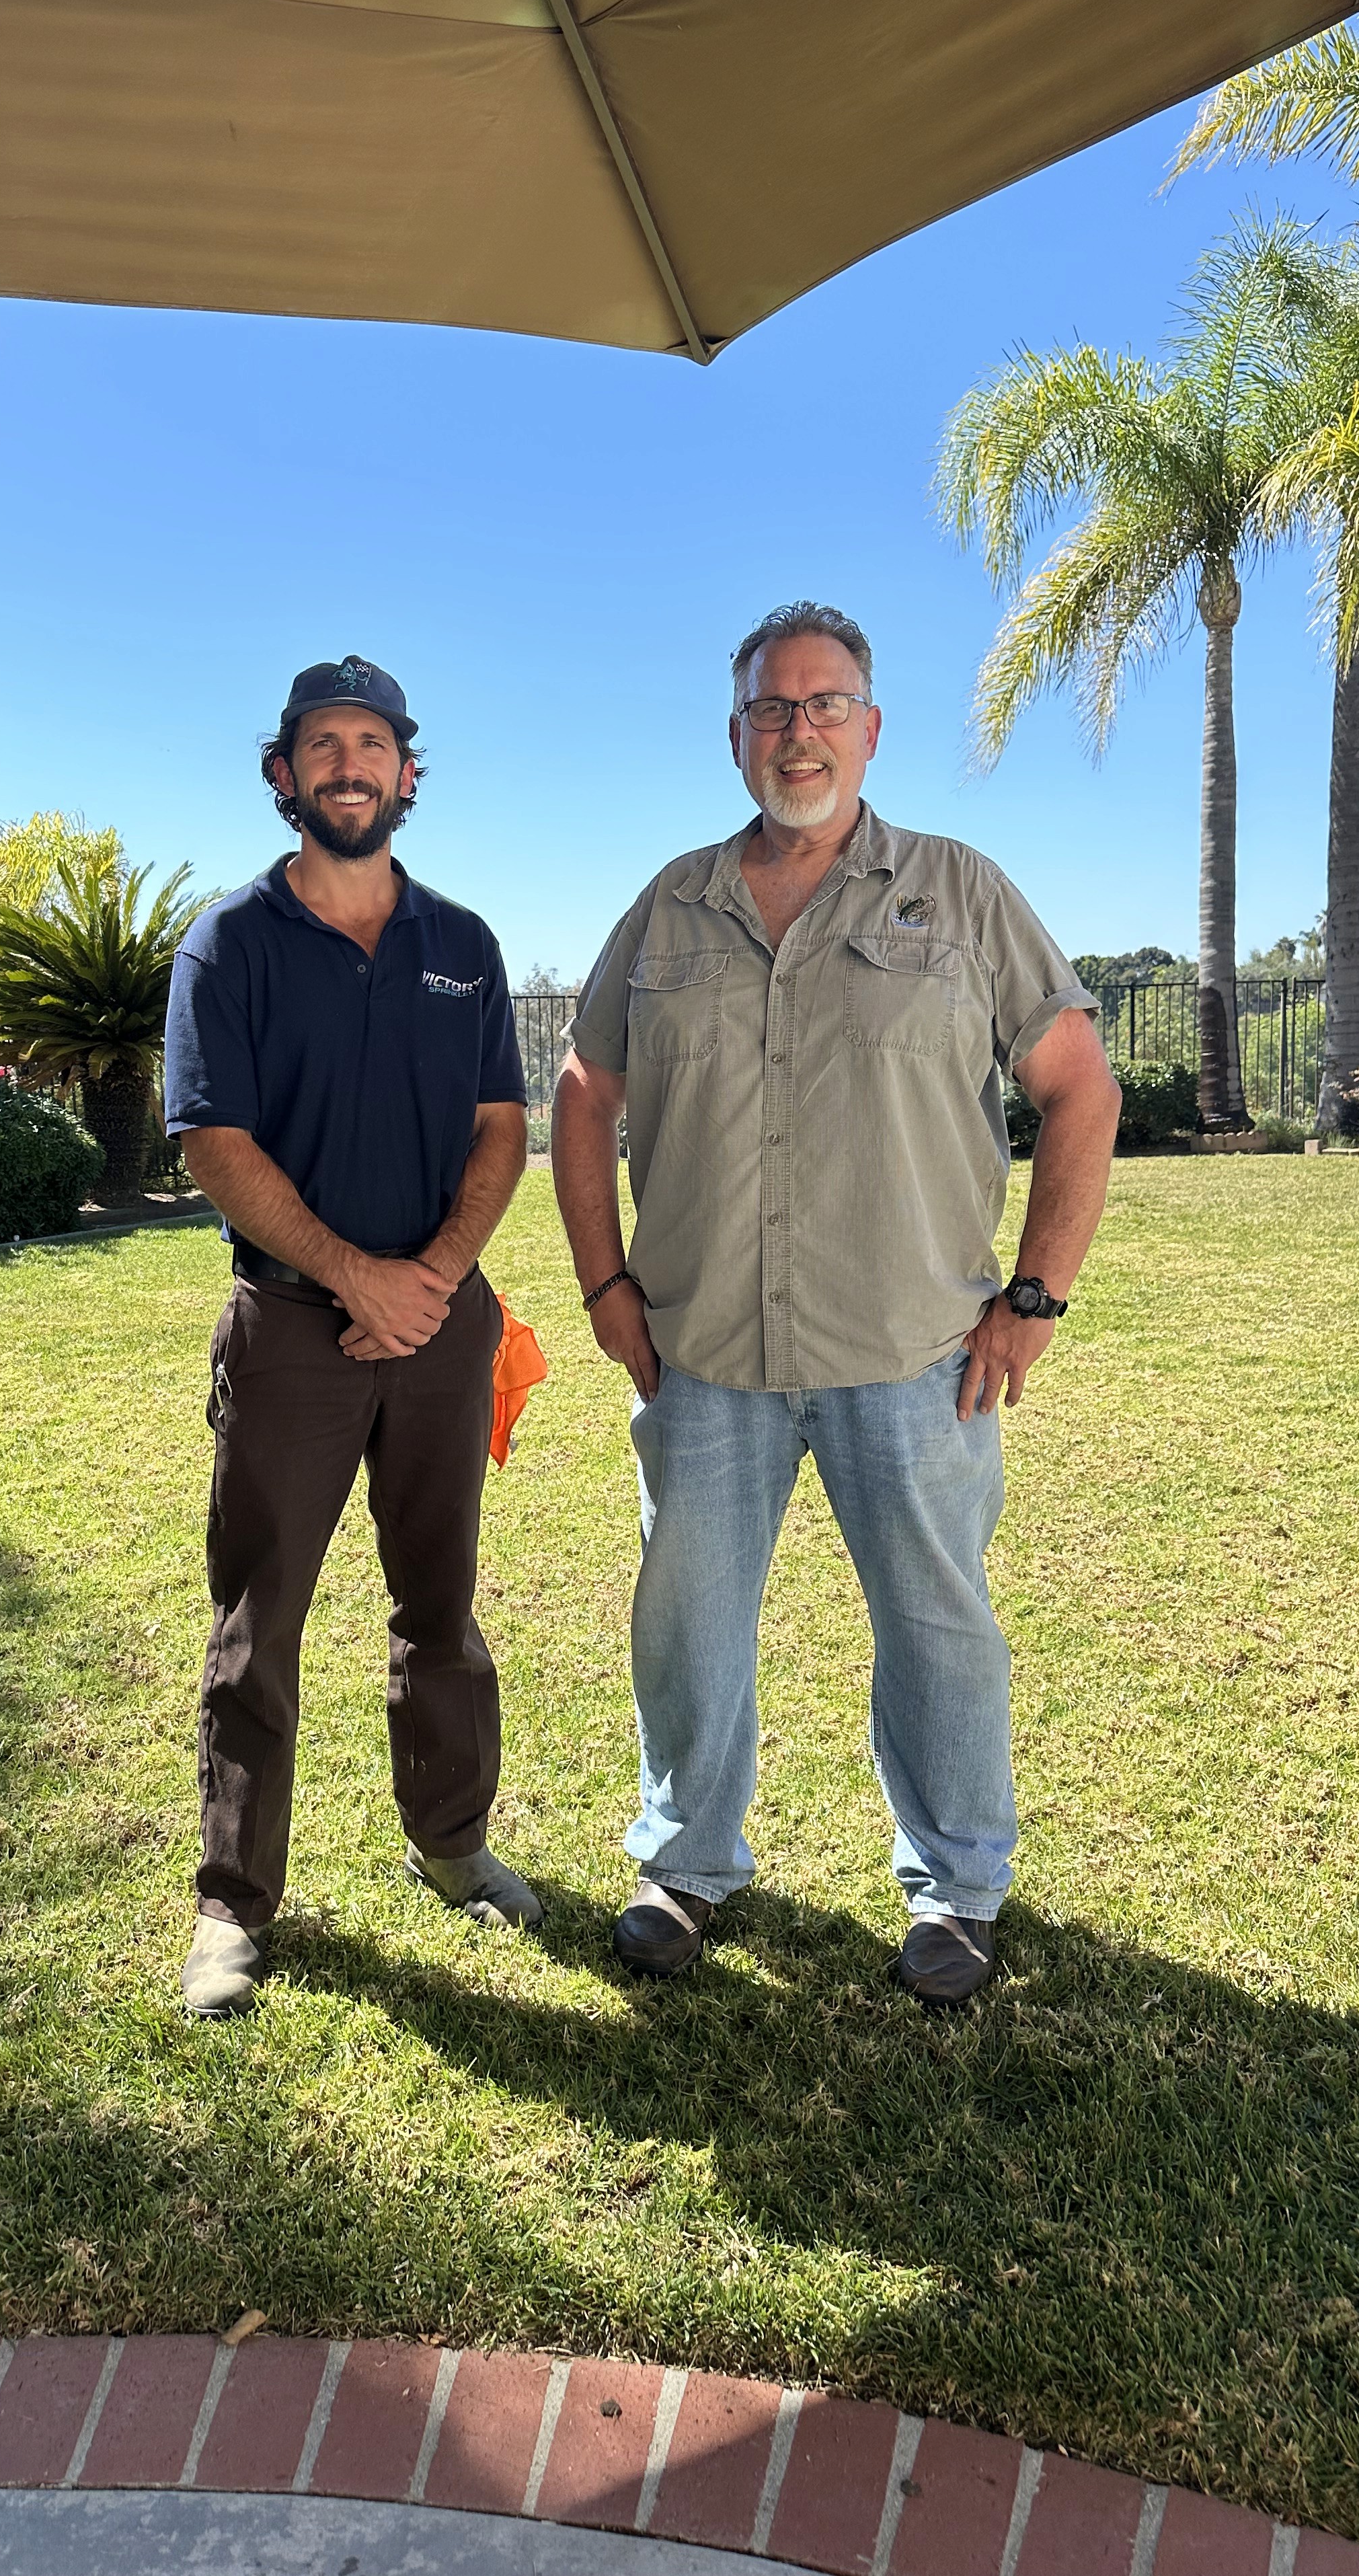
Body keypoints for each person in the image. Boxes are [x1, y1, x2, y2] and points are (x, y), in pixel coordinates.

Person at [552, 603, 1120, 2009]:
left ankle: (957, 1891)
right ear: (736, 733)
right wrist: (603, 1282)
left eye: (824, 705)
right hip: (704, 1352)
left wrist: (1035, 1298)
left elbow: (1079, 1090)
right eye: (771, 708)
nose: (797, 730)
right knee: (687, 1623)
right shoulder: (671, 904)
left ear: (870, 727)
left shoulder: (957, 892)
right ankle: (684, 1865)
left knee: (937, 1622)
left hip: (912, 1353)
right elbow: (583, 1092)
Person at [165, 655, 539, 2019]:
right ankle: (230, 1910)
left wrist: (435, 1274)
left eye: (371, 743)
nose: (348, 765)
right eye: (323, 745)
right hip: (291, 1331)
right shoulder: (232, 944)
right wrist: (351, 1278)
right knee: (260, 1621)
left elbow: (504, 1127)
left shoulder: (466, 949)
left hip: (442, 1326)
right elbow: (214, 1139)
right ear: (285, 776)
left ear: (406, 775)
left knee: (439, 1602)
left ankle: (452, 1846)